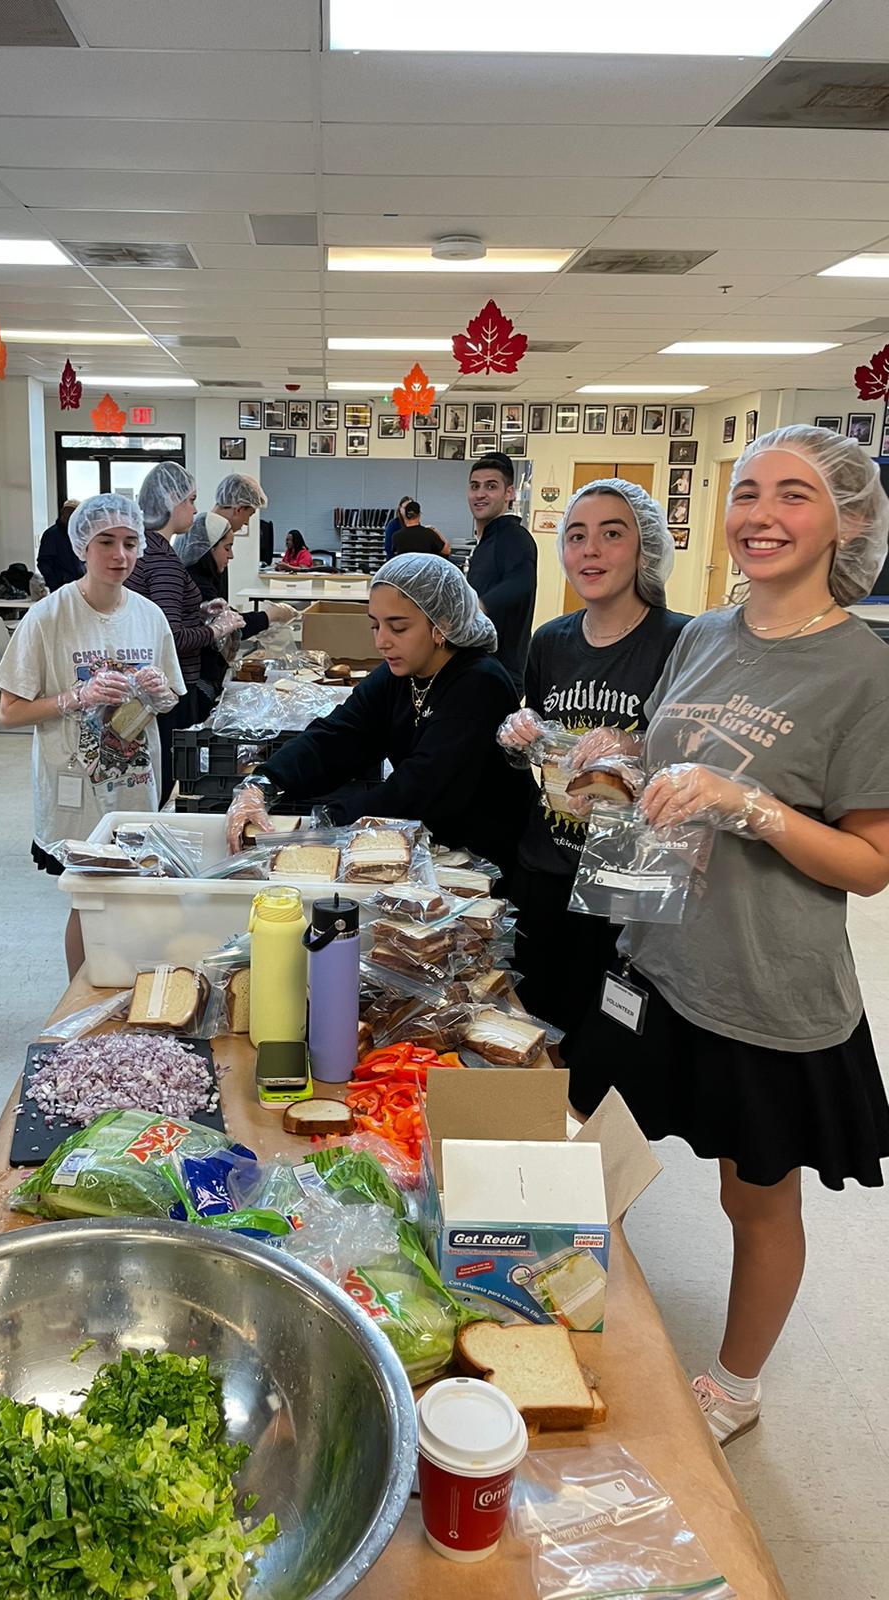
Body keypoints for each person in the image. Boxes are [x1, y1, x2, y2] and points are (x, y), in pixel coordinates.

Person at [568, 427, 889, 1446]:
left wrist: (748, 806)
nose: (760, 515)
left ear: (847, 523)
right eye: (747, 492)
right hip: (655, 957)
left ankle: (735, 1388)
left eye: (794, 495)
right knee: (593, 1154)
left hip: (765, 984)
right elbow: (672, 753)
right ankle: (559, 1318)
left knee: (755, 1200)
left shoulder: (864, 670)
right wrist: (615, 758)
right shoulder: (704, 632)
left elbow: (871, 863)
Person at [497, 479, 691, 1056]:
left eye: (612, 534)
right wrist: (519, 733)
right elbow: (538, 748)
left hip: (626, 882)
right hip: (545, 868)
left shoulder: (681, 641)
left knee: (609, 1046)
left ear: (645, 548)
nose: (591, 550)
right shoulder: (550, 641)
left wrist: (635, 744)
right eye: (577, 535)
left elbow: (699, 755)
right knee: (536, 1032)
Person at [225, 554, 535, 870]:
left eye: (398, 627)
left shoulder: (480, 684)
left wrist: (329, 822)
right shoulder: (399, 675)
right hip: (429, 850)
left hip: (485, 861)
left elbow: (421, 788)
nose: (381, 642)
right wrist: (264, 782)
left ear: (443, 625)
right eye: (375, 625)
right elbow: (339, 735)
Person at [0, 494, 184, 979]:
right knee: (89, 900)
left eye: (130, 543)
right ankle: (81, 996)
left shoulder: (149, 615)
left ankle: (127, 990)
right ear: (82, 546)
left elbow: (171, 700)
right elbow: (10, 711)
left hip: (136, 783)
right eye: (106, 542)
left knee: (135, 896)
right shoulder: (49, 618)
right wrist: (76, 697)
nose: (120, 555)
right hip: (75, 790)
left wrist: (158, 692)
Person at [125, 462, 244, 805]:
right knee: (166, 778)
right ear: (170, 502)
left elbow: (158, 618)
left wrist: (200, 611)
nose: (195, 509)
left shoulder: (153, 551)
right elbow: (172, 638)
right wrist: (215, 629)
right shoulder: (161, 560)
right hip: (170, 689)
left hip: (155, 686)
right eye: (190, 500)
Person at [176, 513, 295, 707]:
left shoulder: (204, 577)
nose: (231, 555)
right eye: (227, 548)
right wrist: (270, 615)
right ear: (207, 548)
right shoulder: (196, 583)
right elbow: (232, 625)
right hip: (198, 680)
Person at [466, 453, 538, 697]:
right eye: (474, 486)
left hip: (500, 673)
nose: (480, 494)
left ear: (509, 493)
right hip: (479, 668)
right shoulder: (488, 541)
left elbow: (522, 583)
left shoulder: (514, 536)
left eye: (491, 486)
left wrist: (477, 606)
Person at [178, 473, 267, 557]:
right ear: (239, 509)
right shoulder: (203, 533)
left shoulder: (211, 529)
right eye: (249, 515)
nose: (246, 523)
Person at [36, 499, 84, 593]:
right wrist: (54, 583)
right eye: (66, 512)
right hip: (61, 586)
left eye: (71, 513)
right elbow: (44, 562)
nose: (67, 516)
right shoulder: (51, 534)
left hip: (80, 584)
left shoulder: (79, 534)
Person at [383, 495, 413, 560]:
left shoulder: (414, 524)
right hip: (395, 560)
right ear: (400, 509)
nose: (408, 511)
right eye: (405, 508)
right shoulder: (393, 524)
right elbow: (388, 547)